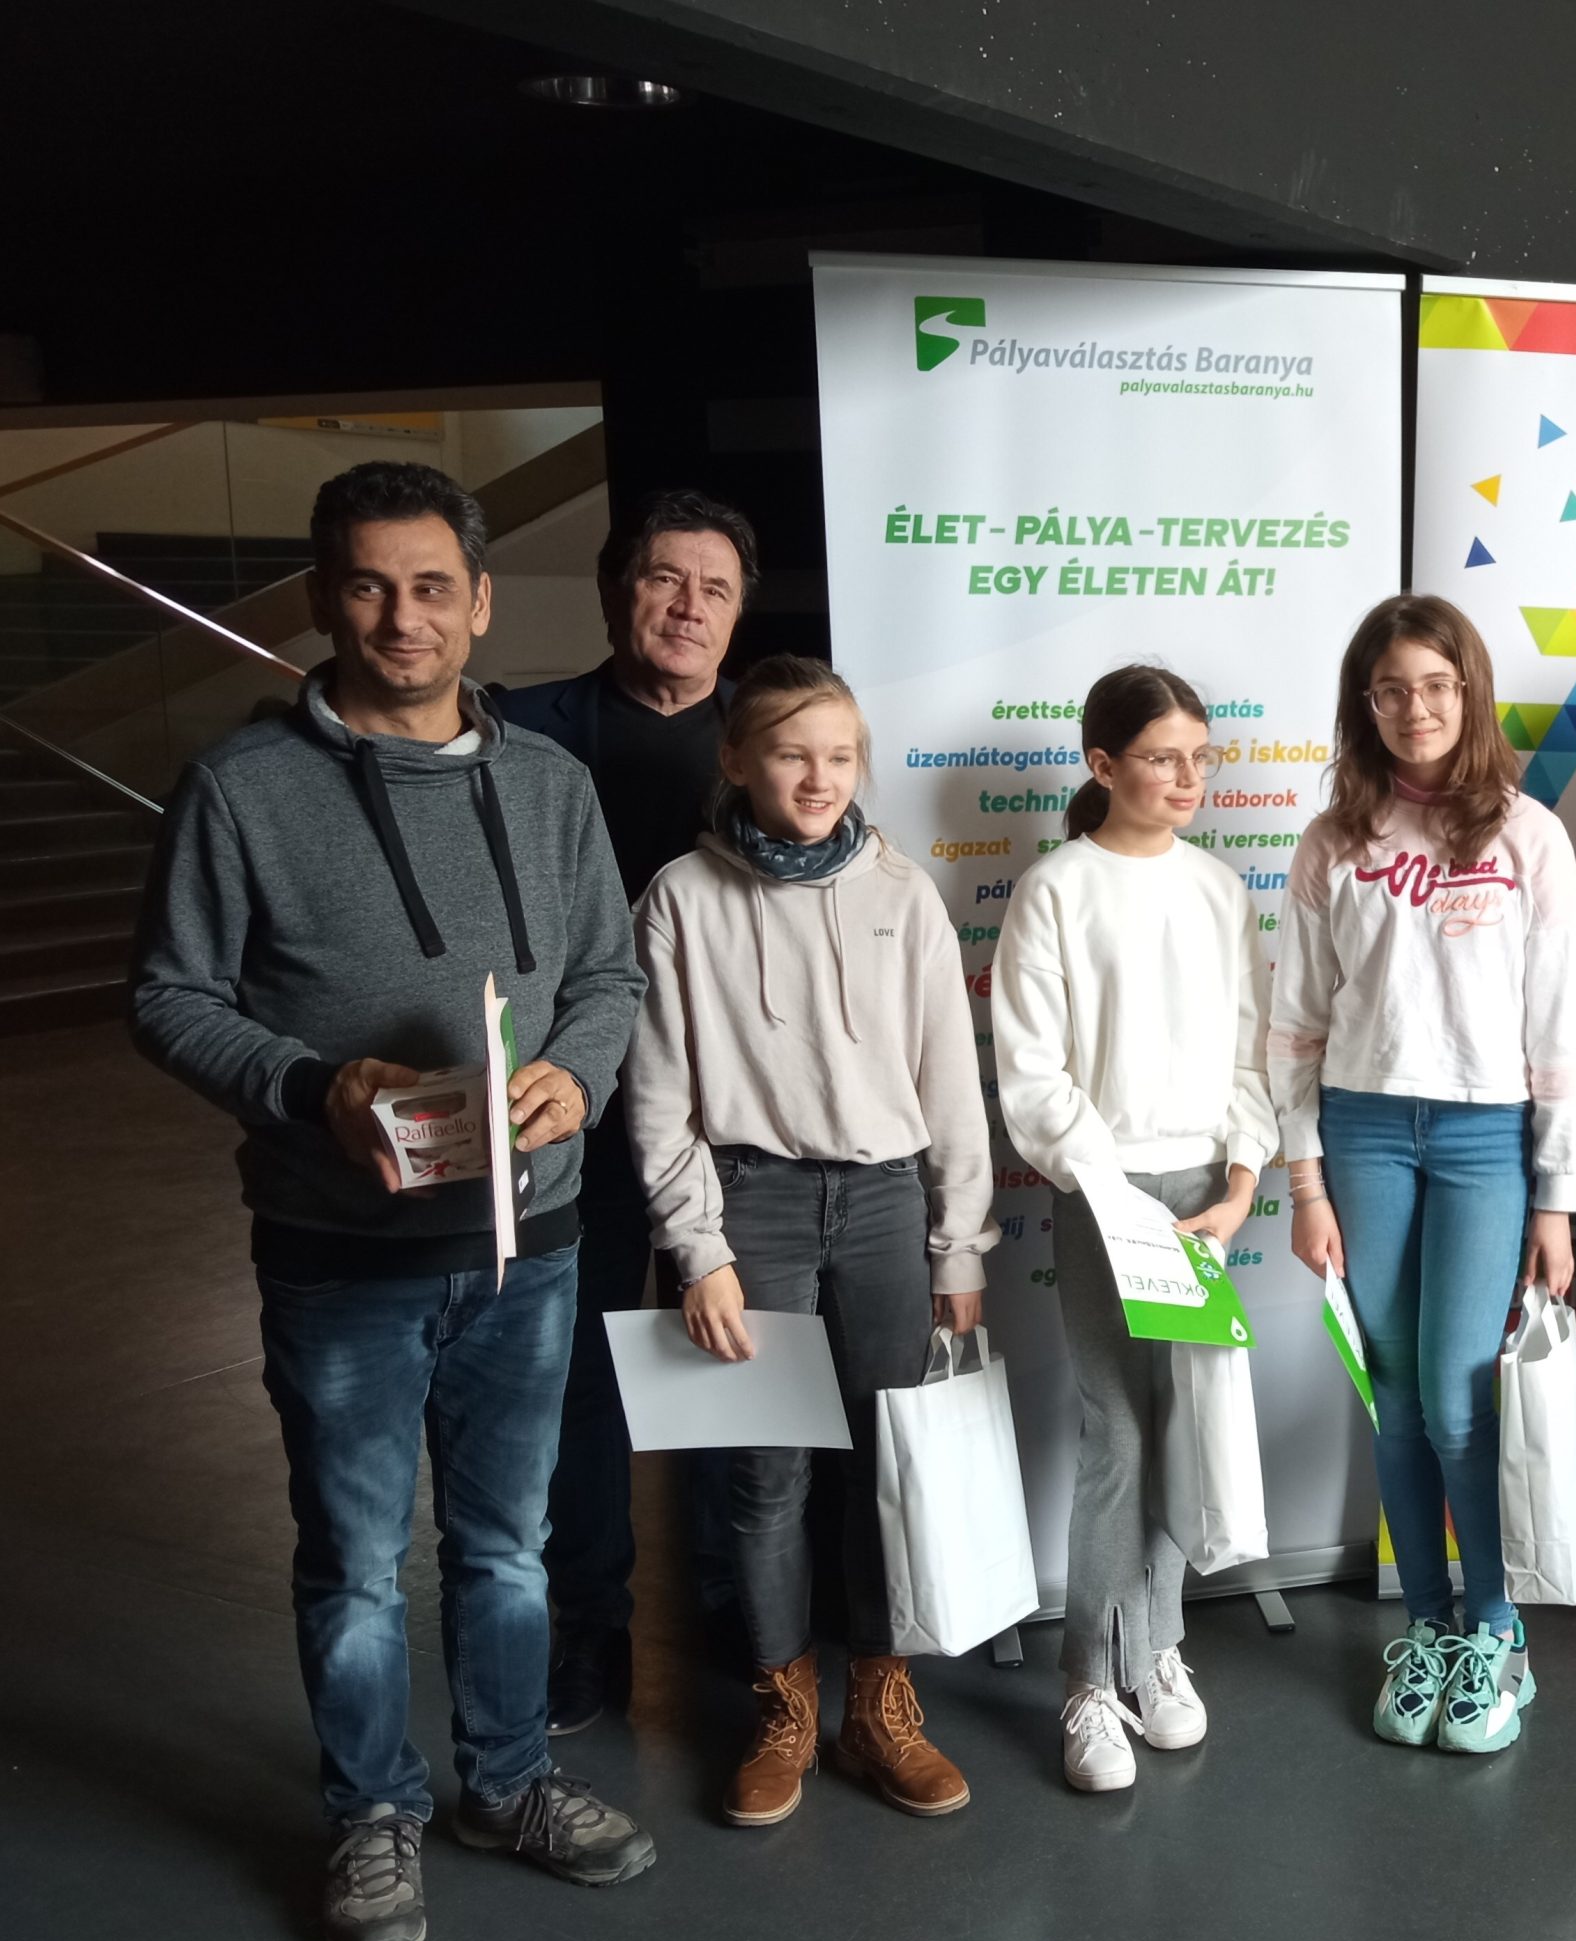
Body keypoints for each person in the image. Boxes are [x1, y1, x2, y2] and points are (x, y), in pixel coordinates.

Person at [129, 461, 655, 1941]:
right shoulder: (241, 788)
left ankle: (508, 1781)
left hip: (527, 1246)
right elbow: (167, 996)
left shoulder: (550, 785)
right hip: (339, 1254)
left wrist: (575, 1075)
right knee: (357, 1561)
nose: (402, 616)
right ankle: (371, 1812)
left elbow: (609, 974)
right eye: (368, 584)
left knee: (506, 1547)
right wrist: (309, 1088)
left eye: (432, 586)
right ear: (323, 598)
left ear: (481, 602)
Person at [621, 656, 996, 1824]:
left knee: (888, 1463)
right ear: (736, 758)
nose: (819, 777)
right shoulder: (681, 897)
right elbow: (658, 1095)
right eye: (791, 752)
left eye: (840, 755)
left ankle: (878, 1708)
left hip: (884, 1206)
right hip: (752, 1208)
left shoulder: (903, 893)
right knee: (765, 1476)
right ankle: (782, 1711)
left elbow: (949, 1081)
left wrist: (960, 1245)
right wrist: (698, 1249)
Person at [1272, 595, 1576, 1757]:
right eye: (1392, 689)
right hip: (1362, 1131)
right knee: (1394, 1395)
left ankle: (1497, 1633)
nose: (1416, 709)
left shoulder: (1526, 836)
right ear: (1366, 703)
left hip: (1483, 1138)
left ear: (1470, 693)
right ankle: (1427, 1628)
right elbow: (1293, 1026)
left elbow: (1558, 1032)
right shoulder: (1332, 841)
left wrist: (1555, 1196)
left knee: (1459, 1398)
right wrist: (1305, 1180)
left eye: (1437, 686)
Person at [991, 665, 1278, 1794]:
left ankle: (1158, 1648)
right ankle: (1087, 1678)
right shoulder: (1056, 889)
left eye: (1201, 757)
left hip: (1202, 1186)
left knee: (1181, 1421)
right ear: (1103, 764)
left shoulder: (1219, 890)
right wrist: (1109, 1191)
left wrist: (1241, 1182)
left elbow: (1250, 1053)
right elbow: (1032, 1072)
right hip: (1101, 1191)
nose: (1188, 778)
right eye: (1163, 758)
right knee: (1116, 1427)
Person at [498, 489, 758, 1734]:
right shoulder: (517, 729)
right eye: (664, 579)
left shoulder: (773, 734)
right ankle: (587, 1621)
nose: (688, 607)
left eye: (715, 588)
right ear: (616, 591)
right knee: (583, 1367)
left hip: (737, 1111)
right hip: (575, 1103)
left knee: (727, 1349)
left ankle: (731, 1598)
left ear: (739, 613)